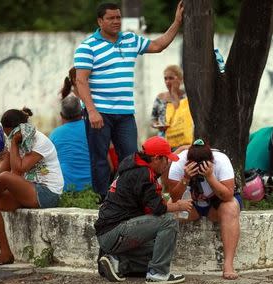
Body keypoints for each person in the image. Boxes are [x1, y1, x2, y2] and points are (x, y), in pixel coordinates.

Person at [74, 1, 184, 200]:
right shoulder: (87, 47)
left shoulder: (130, 40)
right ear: (100, 21)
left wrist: (177, 21)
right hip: (100, 112)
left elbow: (158, 45)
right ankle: (103, 200)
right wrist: (91, 111)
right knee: (99, 158)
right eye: (111, 18)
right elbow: (81, 81)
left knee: (131, 158)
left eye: (118, 17)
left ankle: (126, 196)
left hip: (125, 113)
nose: (116, 21)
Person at [95, 136, 192, 284]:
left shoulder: (133, 163)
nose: (168, 164)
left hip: (110, 234)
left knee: (159, 251)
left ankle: (117, 262)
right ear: (156, 159)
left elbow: (151, 194)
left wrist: (175, 152)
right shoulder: (143, 175)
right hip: (115, 232)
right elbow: (158, 209)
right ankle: (158, 274)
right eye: (166, 159)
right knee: (169, 220)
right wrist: (180, 206)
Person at [0, 108, 64, 266]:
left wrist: (14, 143)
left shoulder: (39, 141)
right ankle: (5, 253)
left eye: (10, 134)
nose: (9, 137)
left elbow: (17, 170)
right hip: (27, 190)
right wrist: (10, 146)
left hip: (47, 193)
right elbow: (2, 171)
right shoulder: (14, 139)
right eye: (8, 135)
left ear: (19, 130)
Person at [168, 139, 241, 280]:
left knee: (230, 207)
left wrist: (210, 177)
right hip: (191, 205)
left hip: (216, 205)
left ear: (211, 160)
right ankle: (159, 262)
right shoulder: (179, 161)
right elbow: (174, 197)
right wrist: (186, 178)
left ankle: (228, 265)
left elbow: (227, 195)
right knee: (169, 209)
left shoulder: (221, 160)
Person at [50, 94, 92, 192]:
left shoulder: (55, 134)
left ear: (61, 115)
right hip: (92, 188)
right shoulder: (91, 130)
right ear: (82, 112)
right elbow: (109, 166)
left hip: (65, 188)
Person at [151, 65, 193, 149]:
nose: (167, 81)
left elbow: (177, 108)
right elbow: (153, 119)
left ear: (180, 79)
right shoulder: (160, 97)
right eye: (165, 78)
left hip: (183, 140)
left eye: (171, 78)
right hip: (164, 140)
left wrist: (174, 93)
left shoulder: (187, 97)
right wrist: (157, 125)